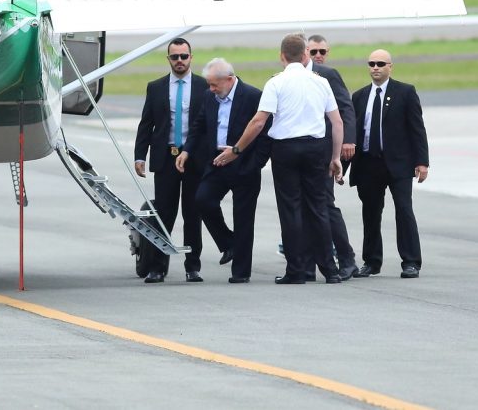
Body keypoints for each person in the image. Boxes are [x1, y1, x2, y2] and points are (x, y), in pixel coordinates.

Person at [231, 34, 344, 285]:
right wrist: (335, 157)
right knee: (318, 207)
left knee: (290, 208)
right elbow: (336, 121)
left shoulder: (276, 83)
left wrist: (237, 149)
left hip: (286, 149)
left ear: (282, 56)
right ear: (305, 56)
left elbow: (259, 121)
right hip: (316, 148)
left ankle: (297, 270)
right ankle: (330, 269)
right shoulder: (321, 82)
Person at [176, 58, 270, 284]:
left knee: (243, 217)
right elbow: (199, 125)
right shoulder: (210, 97)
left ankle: (241, 272)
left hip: (245, 165)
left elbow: (265, 133)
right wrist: (187, 150)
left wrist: (255, 163)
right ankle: (228, 244)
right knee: (202, 200)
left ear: (229, 79)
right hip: (217, 162)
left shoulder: (253, 96)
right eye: (209, 84)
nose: (211, 89)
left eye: (214, 84)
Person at [349, 50, 429, 279]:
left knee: (404, 210)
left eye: (381, 64)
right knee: (371, 213)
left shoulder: (405, 92)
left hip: (398, 164)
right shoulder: (360, 96)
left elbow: (417, 129)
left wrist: (422, 162)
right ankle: (372, 261)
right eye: (372, 64)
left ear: (390, 67)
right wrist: (341, 167)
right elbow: (352, 134)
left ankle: (411, 261)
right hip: (368, 163)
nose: (376, 67)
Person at [134, 38, 208, 283]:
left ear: (191, 57)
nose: (179, 61)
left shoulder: (203, 86)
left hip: (194, 158)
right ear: (168, 59)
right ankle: (158, 266)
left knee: (192, 213)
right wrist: (139, 156)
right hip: (166, 157)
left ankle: (193, 266)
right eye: (175, 57)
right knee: (164, 213)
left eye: (184, 56)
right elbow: (146, 124)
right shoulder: (155, 87)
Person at [305, 36, 361, 281]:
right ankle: (309, 261)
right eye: (313, 51)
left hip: (327, 148)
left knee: (325, 203)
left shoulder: (328, 74)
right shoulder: (289, 74)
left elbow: (345, 107)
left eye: (322, 51)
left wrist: (348, 140)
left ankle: (346, 258)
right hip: (304, 150)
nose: (318, 55)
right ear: (304, 51)